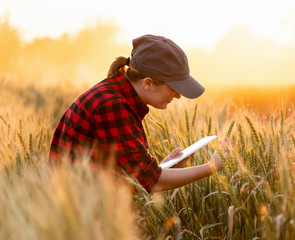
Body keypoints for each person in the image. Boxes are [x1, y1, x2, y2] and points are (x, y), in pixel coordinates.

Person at [49, 34, 224, 193]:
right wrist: (212, 166)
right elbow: (153, 183)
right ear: (147, 83)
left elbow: (132, 179)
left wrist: (163, 169)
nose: (178, 95)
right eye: (174, 88)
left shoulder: (115, 95)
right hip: (78, 215)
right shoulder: (112, 105)